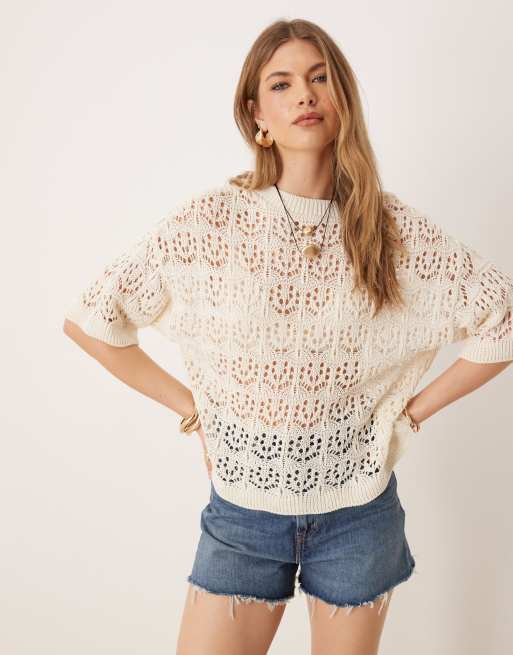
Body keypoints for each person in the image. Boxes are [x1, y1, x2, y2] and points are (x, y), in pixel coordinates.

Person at [63, 18, 513, 655]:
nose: (304, 94)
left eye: (319, 78)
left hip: (359, 515)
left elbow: (503, 315)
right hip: (242, 516)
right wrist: (194, 412)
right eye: (282, 84)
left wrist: (409, 414)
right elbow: (93, 321)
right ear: (257, 114)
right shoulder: (211, 223)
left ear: (341, 97)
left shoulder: (390, 228)